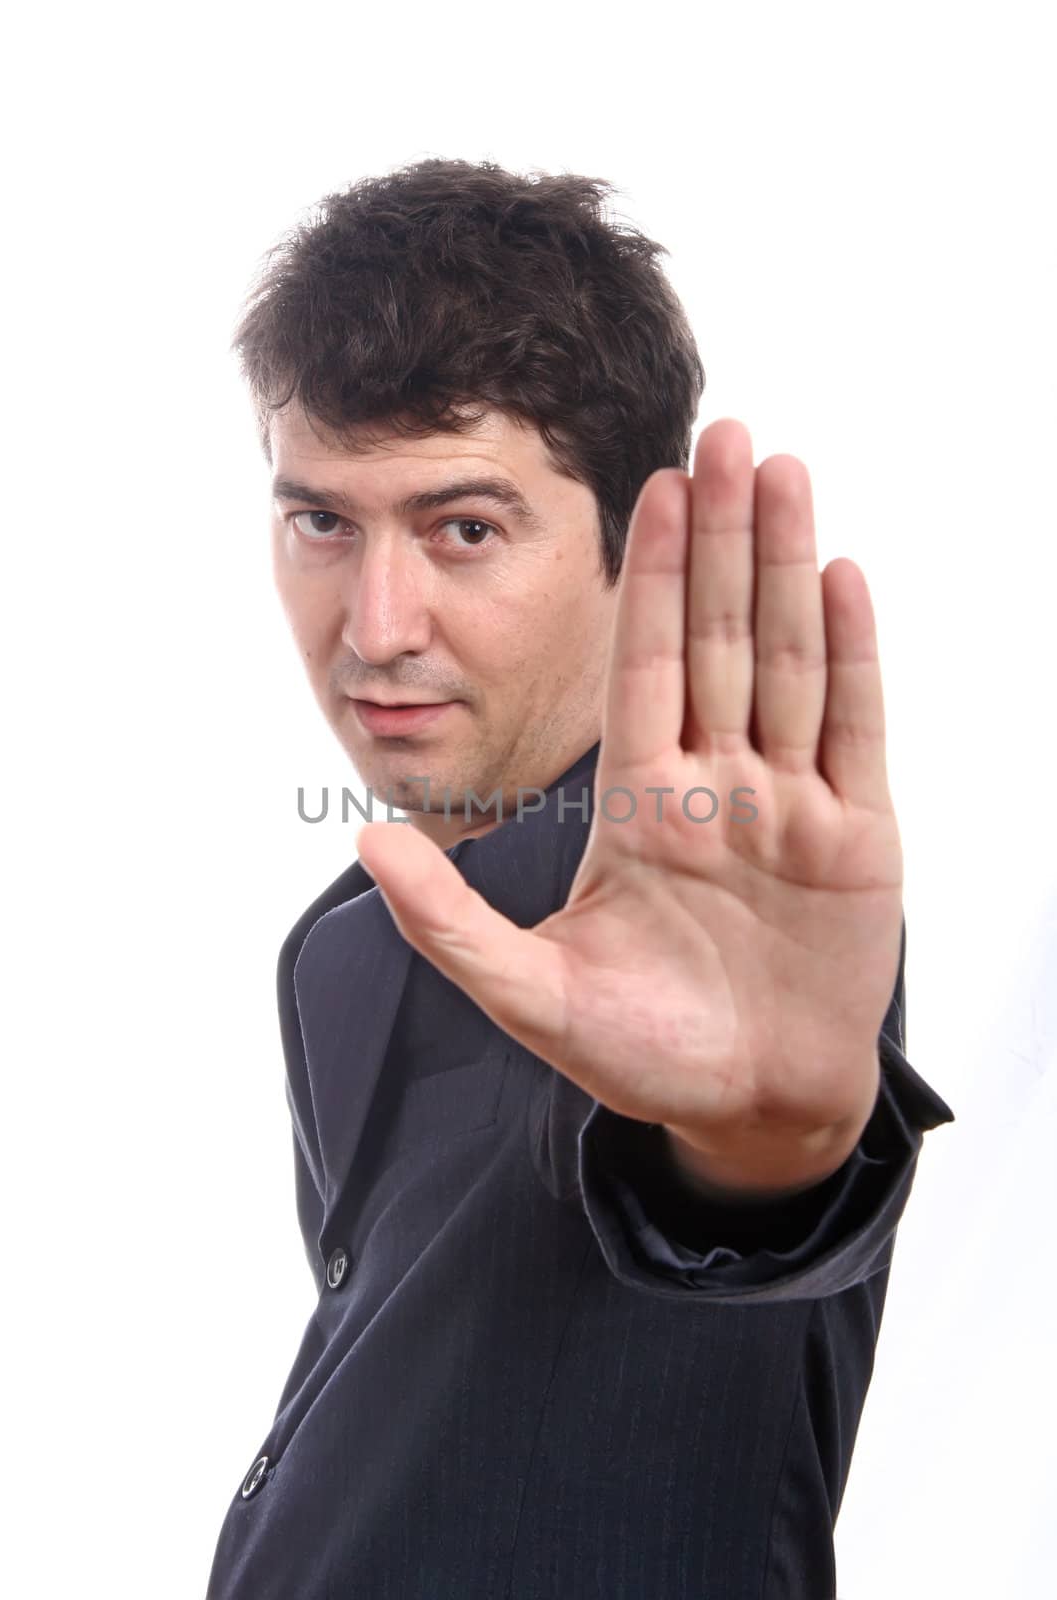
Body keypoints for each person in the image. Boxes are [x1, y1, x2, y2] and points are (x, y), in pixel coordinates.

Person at [204, 156, 954, 1599]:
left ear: (636, 543)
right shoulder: (361, 928)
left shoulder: (722, 906)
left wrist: (774, 1150)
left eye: (465, 528)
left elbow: (742, 1182)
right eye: (323, 522)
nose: (375, 625)